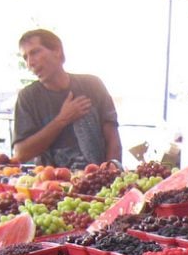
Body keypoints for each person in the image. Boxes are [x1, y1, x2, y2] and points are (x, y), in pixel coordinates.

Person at [13, 29, 122, 168]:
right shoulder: (27, 97)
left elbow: (113, 139)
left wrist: (110, 174)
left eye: (34, 52)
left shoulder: (93, 85)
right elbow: (21, 153)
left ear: (57, 51)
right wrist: (62, 119)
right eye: (25, 57)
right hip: (50, 185)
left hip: (96, 184)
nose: (30, 63)